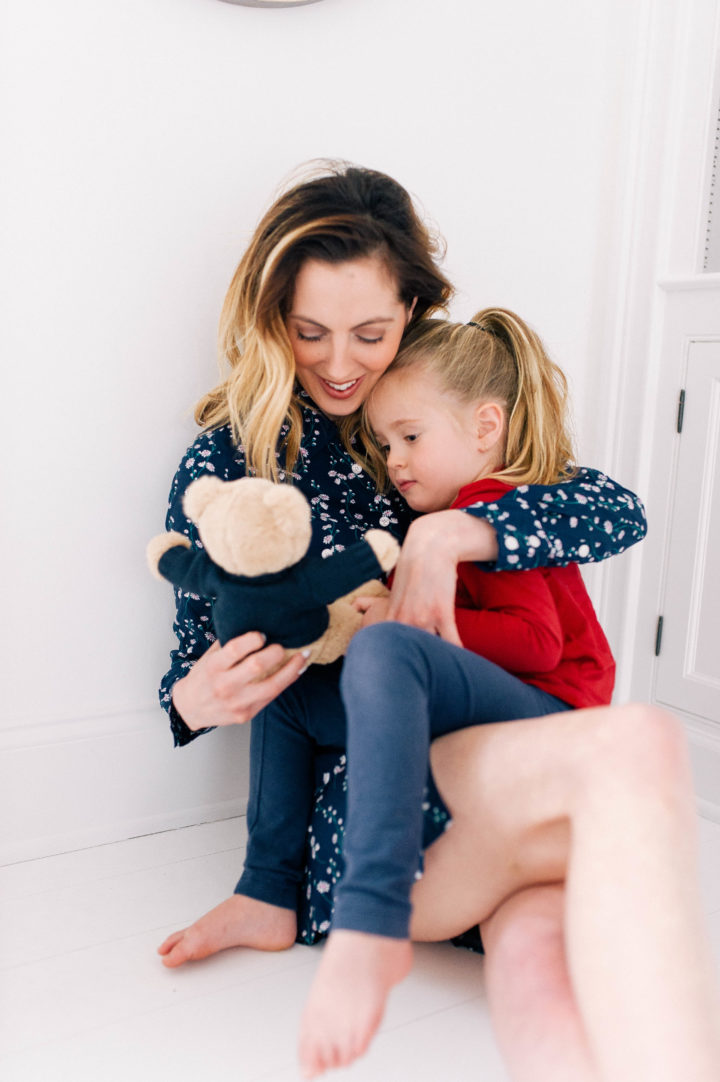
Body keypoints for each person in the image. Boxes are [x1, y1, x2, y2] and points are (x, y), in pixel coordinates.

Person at [150, 163, 720, 1080]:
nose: (340, 365)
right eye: (309, 333)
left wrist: (457, 533)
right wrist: (196, 694)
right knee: (625, 765)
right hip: (379, 812)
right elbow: (186, 673)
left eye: (369, 333)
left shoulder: (438, 413)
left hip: (474, 773)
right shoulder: (231, 462)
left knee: (538, 956)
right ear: (269, 323)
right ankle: (281, 894)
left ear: (411, 314)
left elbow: (613, 509)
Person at [297, 304, 618, 1065]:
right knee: (525, 931)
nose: (395, 459)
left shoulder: (486, 508)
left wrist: (405, 630)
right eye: (384, 443)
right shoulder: (452, 517)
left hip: (556, 713)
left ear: (484, 426)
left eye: (410, 436)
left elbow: (538, 643)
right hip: (543, 744)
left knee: (386, 655)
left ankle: (369, 918)